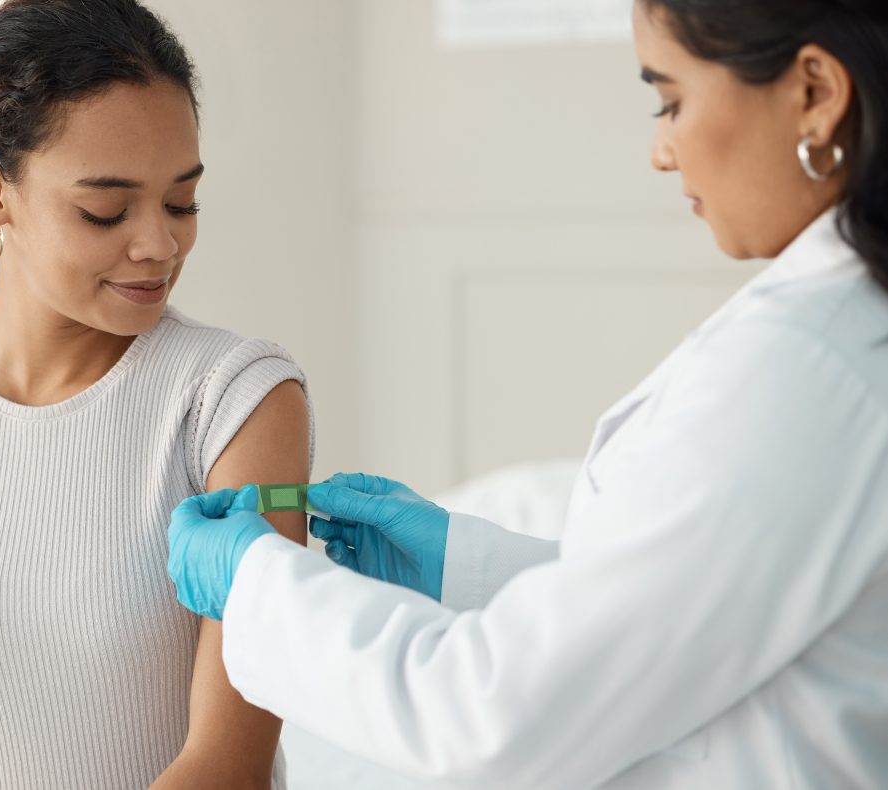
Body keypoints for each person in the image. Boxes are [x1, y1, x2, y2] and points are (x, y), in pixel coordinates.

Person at [166, 1, 888, 787]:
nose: (661, 151)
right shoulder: (832, 339)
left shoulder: (804, 366)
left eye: (670, 100)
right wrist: (463, 569)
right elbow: (689, 615)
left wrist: (259, 588)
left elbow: (497, 713)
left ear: (816, 92)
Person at [0, 1, 312, 788]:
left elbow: (227, 766)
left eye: (181, 201)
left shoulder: (234, 403)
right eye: (105, 209)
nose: (159, 244)